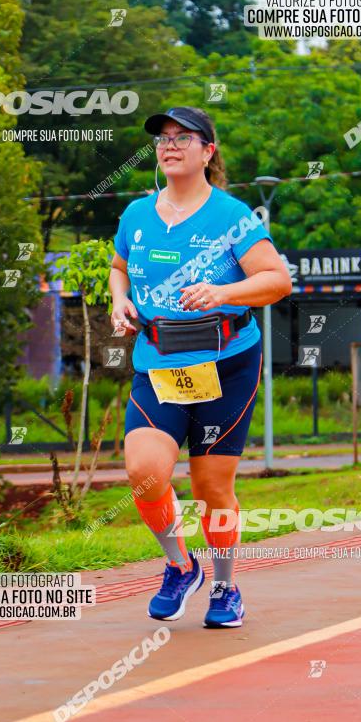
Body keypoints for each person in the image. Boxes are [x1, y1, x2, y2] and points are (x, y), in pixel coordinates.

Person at [109, 106, 292, 628]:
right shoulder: (137, 215)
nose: (169, 145)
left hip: (227, 362)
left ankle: (226, 587)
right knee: (145, 474)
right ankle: (179, 565)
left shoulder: (232, 217)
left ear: (207, 152)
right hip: (159, 364)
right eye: (163, 139)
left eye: (183, 138)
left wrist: (224, 290)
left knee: (212, 488)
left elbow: (277, 281)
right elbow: (118, 268)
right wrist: (119, 302)